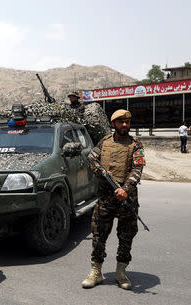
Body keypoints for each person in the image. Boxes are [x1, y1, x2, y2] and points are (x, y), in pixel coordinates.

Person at [82, 109, 145, 290]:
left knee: (126, 237)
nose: (124, 125)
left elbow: (137, 169)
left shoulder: (136, 144)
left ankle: (121, 272)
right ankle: (96, 272)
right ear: (113, 124)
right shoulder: (105, 142)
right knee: (98, 235)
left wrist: (125, 189)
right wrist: (101, 173)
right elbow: (91, 159)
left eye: (127, 122)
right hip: (105, 199)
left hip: (127, 200)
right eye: (120, 122)